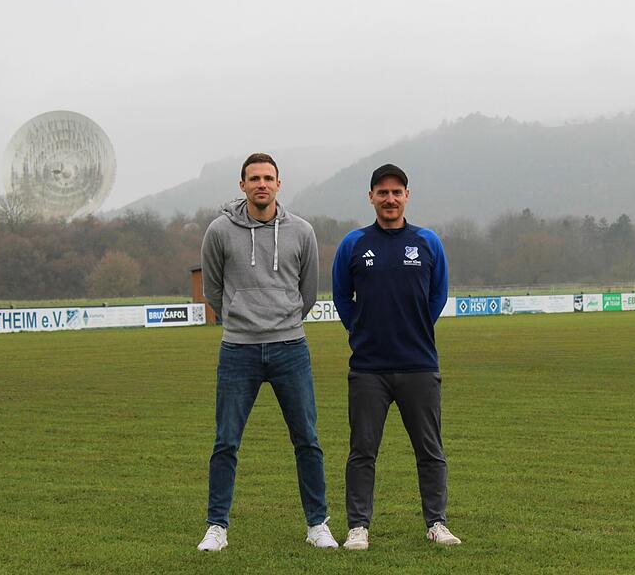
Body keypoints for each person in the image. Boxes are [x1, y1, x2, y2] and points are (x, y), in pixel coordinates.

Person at [196, 152, 338, 552]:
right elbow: (213, 289)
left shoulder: (303, 232)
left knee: (307, 439)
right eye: (254, 178)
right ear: (242, 185)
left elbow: (307, 292)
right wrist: (238, 319)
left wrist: (284, 320)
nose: (262, 184)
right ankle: (217, 527)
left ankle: (317, 524)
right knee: (226, 441)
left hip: (290, 347)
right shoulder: (219, 231)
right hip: (237, 350)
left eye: (268, 178)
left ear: (279, 184)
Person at [331, 163, 461, 550]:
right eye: (382, 192)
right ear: (370, 196)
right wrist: (362, 330)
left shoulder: (427, 242)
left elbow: (437, 295)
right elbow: (341, 296)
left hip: (419, 365)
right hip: (368, 368)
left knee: (430, 450)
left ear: (407, 196)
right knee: (362, 451)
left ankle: (436, 522)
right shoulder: (353, 244)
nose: (389, 198)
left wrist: (415, 326)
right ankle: (358, 527)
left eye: (396, 192)